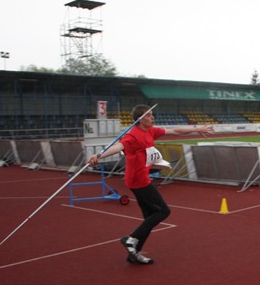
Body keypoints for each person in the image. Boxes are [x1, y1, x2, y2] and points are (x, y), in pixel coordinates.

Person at [87, 104, 214, 264]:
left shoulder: (150, 131)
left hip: (142, 178)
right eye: (149, 115)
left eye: (152, 114)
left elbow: (174, 131)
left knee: (149, 218)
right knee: (163, 211)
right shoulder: (132, 136)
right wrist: (99, 156)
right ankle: (131, 239)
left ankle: (134, 253)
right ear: (140, 119)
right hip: (137, 180)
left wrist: (198, 129)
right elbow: (119, 146)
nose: (153, 117)